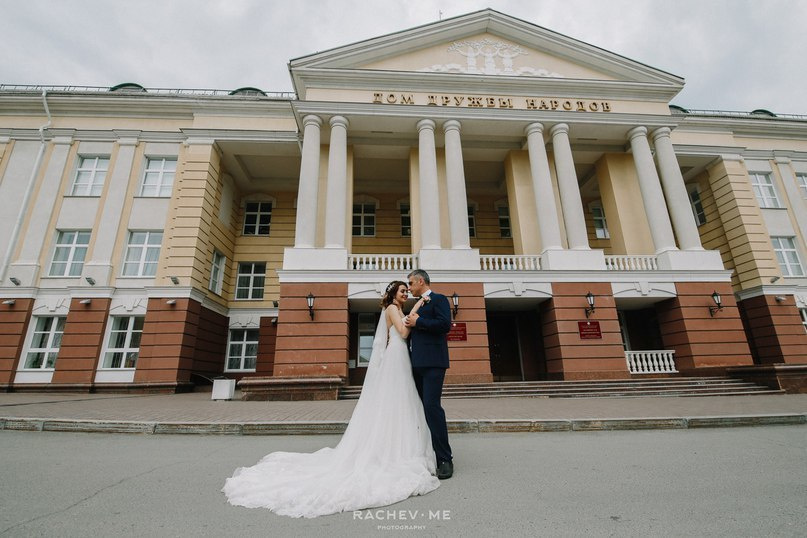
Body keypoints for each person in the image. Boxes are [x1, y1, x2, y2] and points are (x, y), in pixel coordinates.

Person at [222, 281, 439, 518]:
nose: (406, 293)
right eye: (402, 291)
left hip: (399, 357)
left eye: (407, 290)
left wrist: (413, 310)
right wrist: (417, 309)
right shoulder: (391, 309)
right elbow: (404, 332)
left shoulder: (397, 309)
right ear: (393, 294)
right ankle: (394, 450)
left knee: (400, 403)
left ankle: (400, 446)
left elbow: (404, 327)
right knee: (396, 401)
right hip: (396, 356)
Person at [404, 269, 454, 480]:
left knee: (432, 407)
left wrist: (419, 323)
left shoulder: (439, 299)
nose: (409, 288)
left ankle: (445, 459)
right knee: (420, 408)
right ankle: (426, 453)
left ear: (420, 281)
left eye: (410, 283)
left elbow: (444, 325)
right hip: (415, 364)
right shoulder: (415, 305)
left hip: (433, 363)